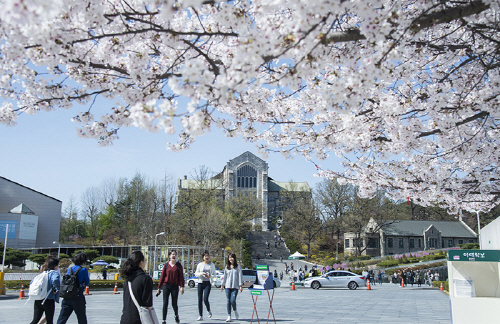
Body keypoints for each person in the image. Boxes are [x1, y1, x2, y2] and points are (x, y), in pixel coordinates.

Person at [120, 251, 153, 324]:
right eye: (145, 260)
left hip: (125, 319)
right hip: (139, 319)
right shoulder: (146, 279)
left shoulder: (127, 279)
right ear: (141, 262)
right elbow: (147, 304)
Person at [56, 251, 90, 324]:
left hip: (67, 296)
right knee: (81, 317)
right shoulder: (83, 270)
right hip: (78, 296)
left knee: (62, 317)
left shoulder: (70, 269)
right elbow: (87, 282)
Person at [30, 257, 61, 324]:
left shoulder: (43, 273)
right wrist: (57, 289)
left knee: (35, 320)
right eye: (58, 265)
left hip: (38, 298)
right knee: (49, 320)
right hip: (48, 300)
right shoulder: (54, 273)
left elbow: (32, 282)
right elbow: (55, 280)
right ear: (55, 266)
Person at [157, 250, 185, 324]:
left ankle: (176, 315)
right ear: (169, 256)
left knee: (174, 303)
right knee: (165, 303)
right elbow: (162, 277)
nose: (174, 256)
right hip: (166, 285)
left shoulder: (179, 266)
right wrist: (159, 287)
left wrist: (182, 287)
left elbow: (181, 277)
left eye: (175, 254)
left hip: (175, 286)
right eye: (172, 254)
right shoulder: (166, 265)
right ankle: (163, 320)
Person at [220, 253, 243, 323]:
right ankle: (229, 316)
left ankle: (235, 310)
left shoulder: (238, 266)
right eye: (230, 258)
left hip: (235, 287)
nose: (231, 259)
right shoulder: (227, 267)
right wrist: (222, 285)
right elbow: (225, 277)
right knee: (228, 300)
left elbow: (240, 276)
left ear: (234, 258)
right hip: (227, 286)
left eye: (232, 257)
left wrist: (240, 286)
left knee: (232, 300)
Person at [194, 251, 216, 321]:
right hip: (200, 283)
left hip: (207, 283)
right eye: (205, 256)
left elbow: (214, 274)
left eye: (207, 256)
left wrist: (210, 276)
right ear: (203, 257)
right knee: (200, 299)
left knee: (205, 299)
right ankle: (200, 315)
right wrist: (201, 273)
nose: (207, 257)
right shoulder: (200, 264)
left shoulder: (212, 265)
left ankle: (208, 310)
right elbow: (196, 273)